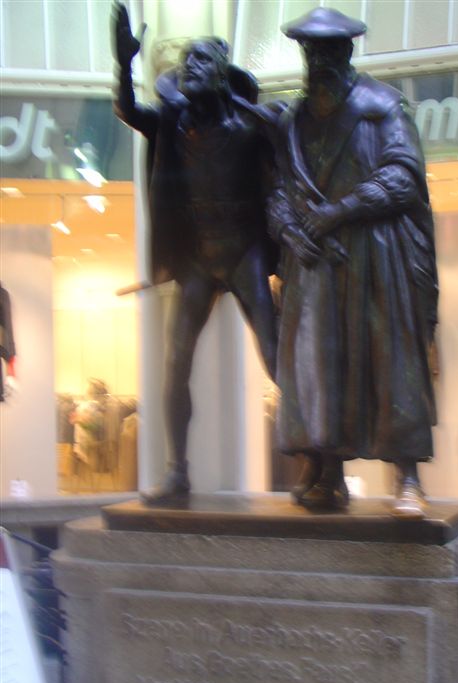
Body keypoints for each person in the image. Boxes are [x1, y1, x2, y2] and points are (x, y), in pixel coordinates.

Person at [266, 8, 438, 515]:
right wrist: (289, 231)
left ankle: (408, 477)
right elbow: (276, 189)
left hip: (376, 254)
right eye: (310, 51)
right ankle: (327, 472)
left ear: (346, 51)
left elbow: (404, 176)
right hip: (314, 260)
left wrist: (338, 211)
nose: (317, 60)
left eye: (327, 50)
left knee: (392, 361)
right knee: (317, 367)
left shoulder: (382, 107)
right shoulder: (292, 121)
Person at [111, 3, 278, 506]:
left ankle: (318, 458)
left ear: (222, 75)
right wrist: (124, 65)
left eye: (201, 61)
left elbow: (287, 168)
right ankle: (176, 470)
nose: (190, 68)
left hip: (245, 250)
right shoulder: (173, 124)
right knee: (175, 361)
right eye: (187, 62)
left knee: (275, 354)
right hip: (199, 258)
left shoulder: (250, 127)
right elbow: (128, 111)